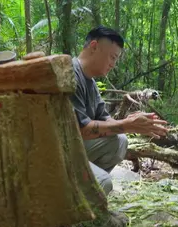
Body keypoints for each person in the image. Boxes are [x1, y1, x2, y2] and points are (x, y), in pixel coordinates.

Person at [71, 26, 168, 194]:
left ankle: (78, 189)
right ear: (94, 47)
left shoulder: (91, 83)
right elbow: (80, 130)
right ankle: (77, 198)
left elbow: (104, 118)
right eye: (112, 57)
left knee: (120, 141)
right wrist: (126, 125)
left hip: (74, 147)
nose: (113, 64)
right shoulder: (70, 75)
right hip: (57, 152)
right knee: (103, 183)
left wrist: (133, 122)